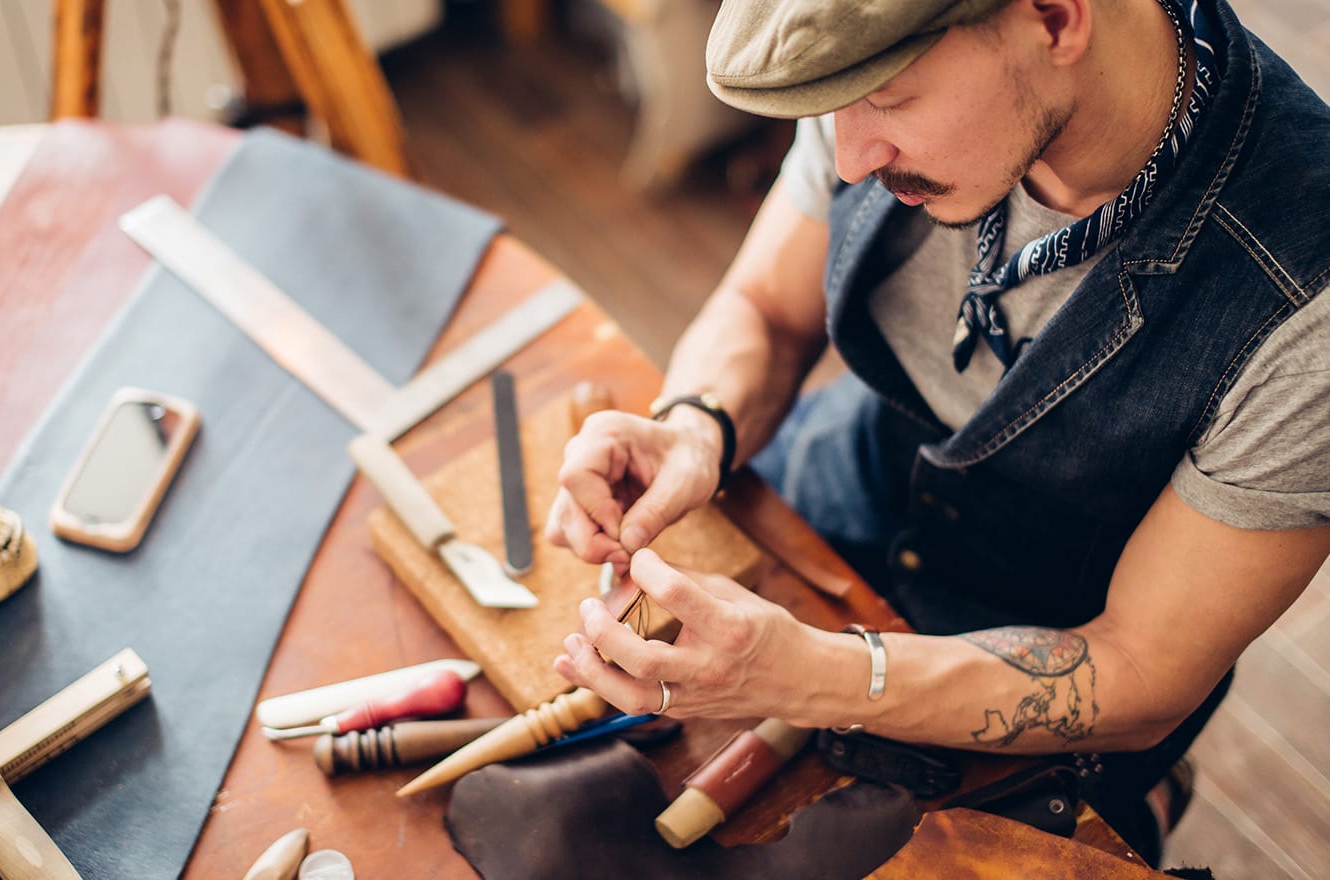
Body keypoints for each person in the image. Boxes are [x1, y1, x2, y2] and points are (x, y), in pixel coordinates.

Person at [544, 0, 1330, 863]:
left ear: (1056, 18)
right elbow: (765, 311)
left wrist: (816, 676)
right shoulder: (860, 79)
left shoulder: (1305, 300)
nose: (848, 159)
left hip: (1041, 664)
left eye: (887, 99)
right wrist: (696, 424)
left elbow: (1141, 670)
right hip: (832, 517)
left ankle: (1148, 796)